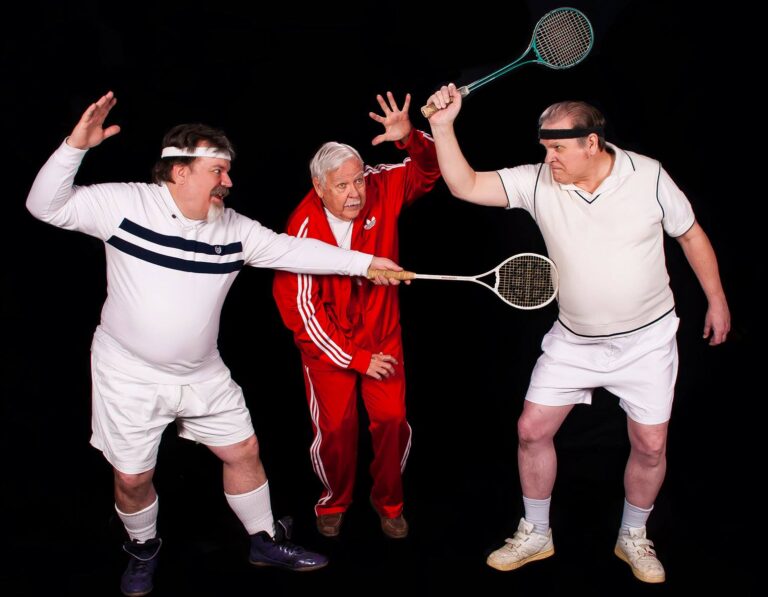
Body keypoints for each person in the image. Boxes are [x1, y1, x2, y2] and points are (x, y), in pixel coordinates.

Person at [26, 91, 404, 597]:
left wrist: (366, 263)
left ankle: (263, 540)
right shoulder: (123, 203)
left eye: (228, 171)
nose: (228, 181)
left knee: (244, 449)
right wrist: (75, 145)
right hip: (128, 373)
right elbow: (42, 205)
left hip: (202, 372)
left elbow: (295, 250)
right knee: (133, 480)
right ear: (180, 172)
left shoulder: (235, 229)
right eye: (217, 171)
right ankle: (142, 549)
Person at [425, 84, 730, 583]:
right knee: (531, 430)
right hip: (574, 340)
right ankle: (536, 533)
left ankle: (633, 536)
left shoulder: (648, 174)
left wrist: (716, 299)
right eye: (544, 146)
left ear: (592, 143)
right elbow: (465, 186)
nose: (548, 157)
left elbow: (690, 233)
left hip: (647, 342)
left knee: (651, 444)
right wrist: (442, 126)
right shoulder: (539, 180)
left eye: (557, 147)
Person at [272, 92, 440, 539]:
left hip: (382, 335)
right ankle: (335, 500)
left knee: (391, 421)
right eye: (342, 185)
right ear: (319, 186)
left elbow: (430, 170)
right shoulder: (301, 231)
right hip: (327, 345)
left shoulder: (381, 185)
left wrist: (411, 141)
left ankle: (390, 501)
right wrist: (355, 358)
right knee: (336, 429)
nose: (354, 193)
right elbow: (302, 315)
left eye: (358, 181)